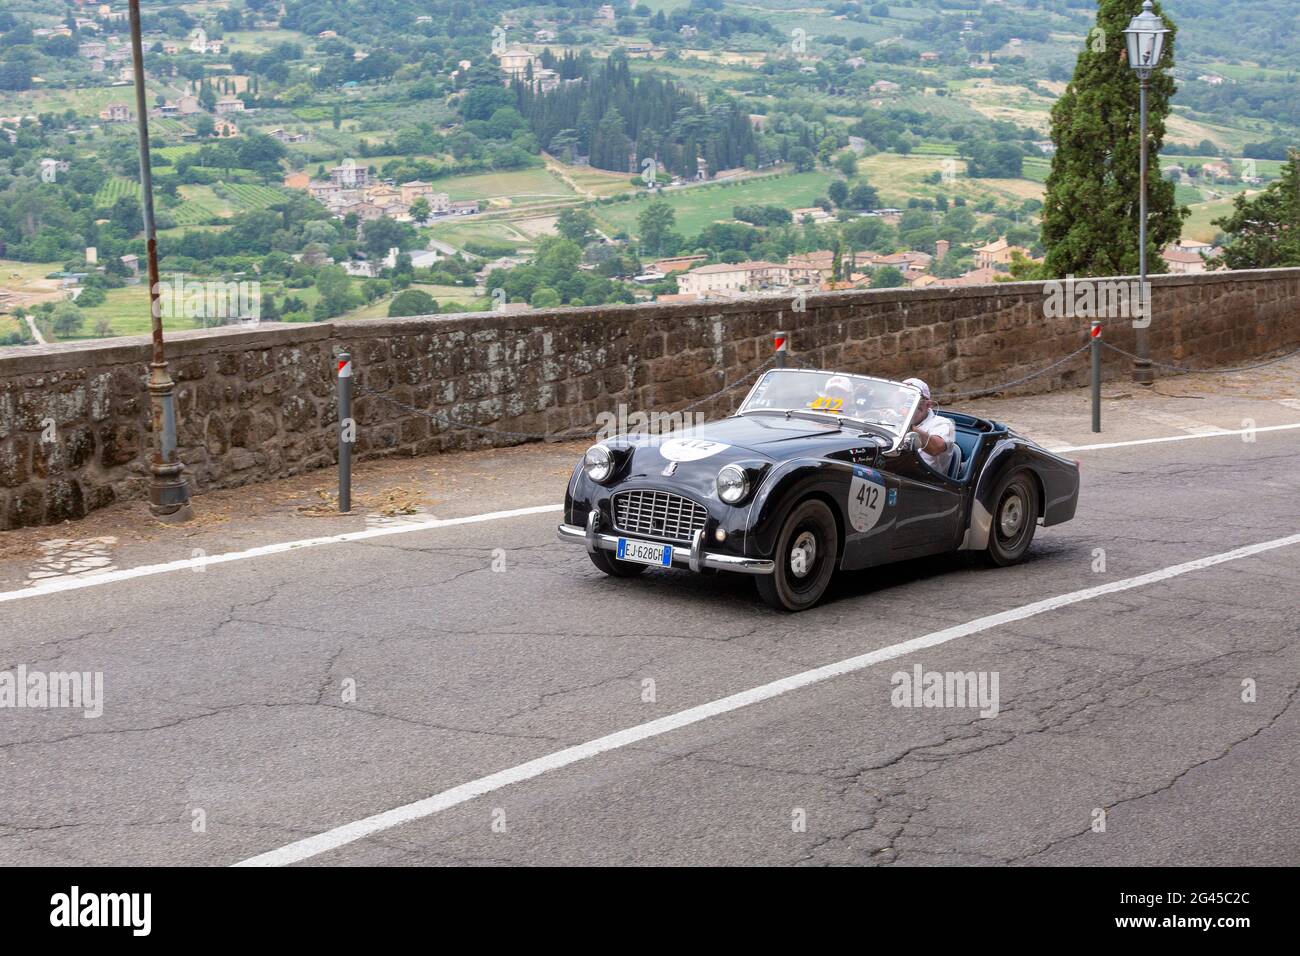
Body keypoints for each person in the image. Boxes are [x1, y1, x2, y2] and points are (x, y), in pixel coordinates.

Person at [901, 377, 955, 474]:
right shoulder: (892, 418)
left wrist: (904, 425)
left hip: (926, 481)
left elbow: (936, 448)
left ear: (928, 404)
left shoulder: (944, 423)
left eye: (914, 399)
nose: (907, 405)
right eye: (903, 399)